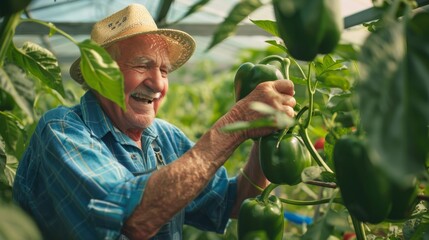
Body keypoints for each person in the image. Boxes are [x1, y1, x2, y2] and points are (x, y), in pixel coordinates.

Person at [13, 3, 296, 240]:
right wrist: (236, 121)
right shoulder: (63, 130)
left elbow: (231, 202)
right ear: (99, 73)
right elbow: (135, 217)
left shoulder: (164, 138)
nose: (158, 83)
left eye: (164, 70)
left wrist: (263, 130)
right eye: (142, 64)